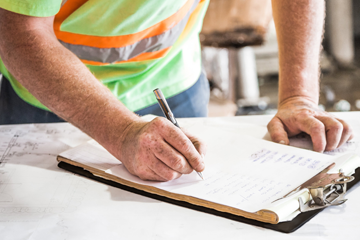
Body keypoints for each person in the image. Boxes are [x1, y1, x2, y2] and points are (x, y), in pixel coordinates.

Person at [0, 0, 353, 181]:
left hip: (174, 84)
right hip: (53, 102)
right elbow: (18, 30)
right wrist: (121, 131)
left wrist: (298, 97)